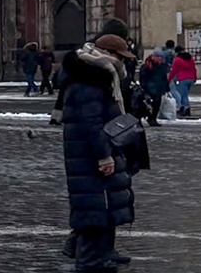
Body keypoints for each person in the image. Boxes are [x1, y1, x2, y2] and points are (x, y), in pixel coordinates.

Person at [61, 33, 136, 271]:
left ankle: (98, 256)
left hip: (96, 151)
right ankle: (88, 262)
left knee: (101, 208)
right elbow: (91, 123)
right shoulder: (89, 78)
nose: (123, 63)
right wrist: (104, 155)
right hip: (88, 156)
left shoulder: (101, 75)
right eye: (119, 57)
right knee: (93, 210)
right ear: (107, 55)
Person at [136, 51, 170, 127]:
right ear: (153, 57)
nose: (160, 59)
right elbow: (143, 77)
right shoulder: (147, 66)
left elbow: (164, 77)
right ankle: (147, 117)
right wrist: (144, 87)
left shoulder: (162, 66)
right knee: (147, 104)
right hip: (149, 88)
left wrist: (167, 87)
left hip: (159, 88)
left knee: (157, 104)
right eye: (158, 57)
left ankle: (153, 118)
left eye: (161, 57)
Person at [168, 46, 197, 118]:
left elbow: (174, 71)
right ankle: (184, 108)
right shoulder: (190, 59)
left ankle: (185, 108)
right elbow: (194, 68)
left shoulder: (177, 59)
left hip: (182, 78)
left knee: (183, 95)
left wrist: (169, 80)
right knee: (185, 93)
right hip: (191, 78)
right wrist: (195, 77)